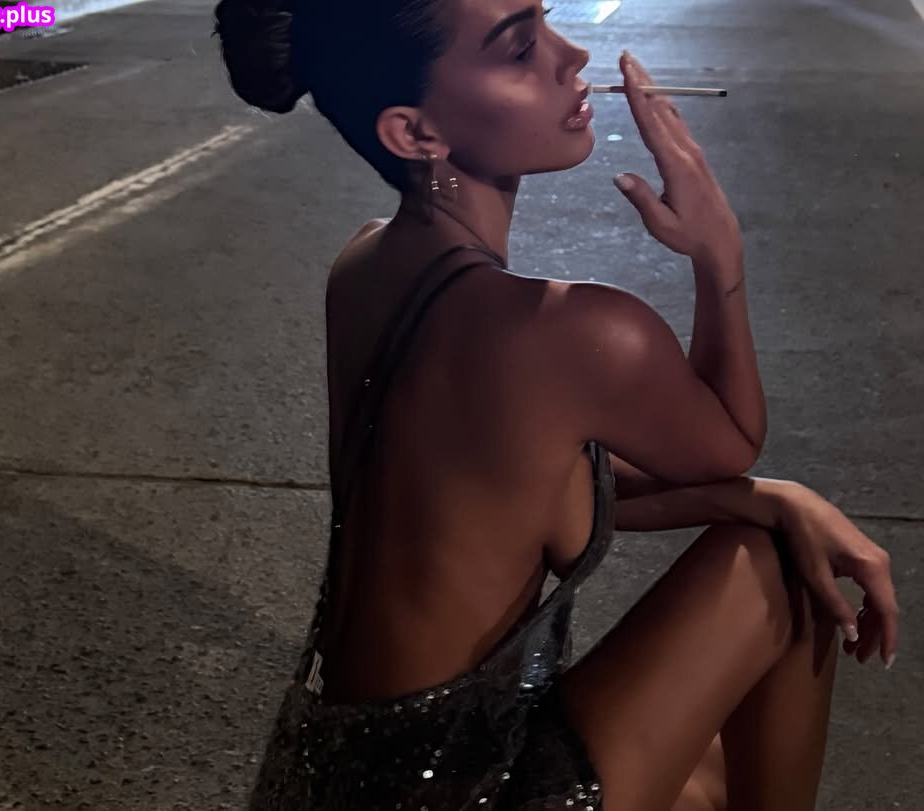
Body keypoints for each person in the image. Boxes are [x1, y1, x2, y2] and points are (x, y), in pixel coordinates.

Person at [211, 2, 901, 809]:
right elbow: (732, 438)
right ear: (416, 132)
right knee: (779, 567)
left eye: (546, 20)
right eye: (519, 49)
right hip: (464, 788)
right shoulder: (569, 332)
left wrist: (766, 496)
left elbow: (525, 490)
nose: (571, 55)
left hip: (337, 777)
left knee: (725, 733)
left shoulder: (362, 266)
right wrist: (719, 252)